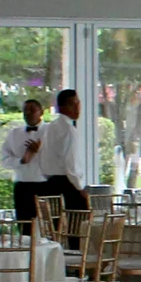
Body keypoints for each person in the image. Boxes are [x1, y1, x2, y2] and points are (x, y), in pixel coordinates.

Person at [35, 88, 87, 233]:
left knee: (53, 230)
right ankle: (76, 255)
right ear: (62, 107)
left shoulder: (50, 127)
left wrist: (48, 176)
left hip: (51, 183)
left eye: (78, 103)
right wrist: (80, 187)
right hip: (67, 184)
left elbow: (42, 156)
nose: (77, 108)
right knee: (77, 229)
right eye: (72, 104)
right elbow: (71, 163)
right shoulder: (68, 130)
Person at [3, 98, 46, 228]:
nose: (28, 113)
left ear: (41, 112)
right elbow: (4, 160)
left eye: (32, 110)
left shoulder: (51, 131)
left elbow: (60, 159)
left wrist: (39, 151)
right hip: (22, 186)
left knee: (48, 226)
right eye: (25, 110)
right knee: (24, 227)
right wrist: (21, 161)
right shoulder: (14, 134)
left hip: (46, 185)